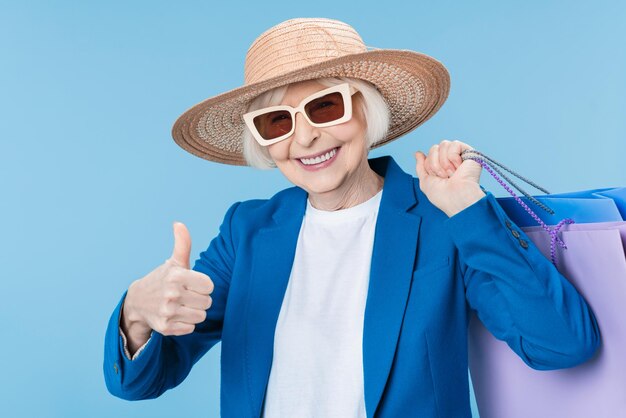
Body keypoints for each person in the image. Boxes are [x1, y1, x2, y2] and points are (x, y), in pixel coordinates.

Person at [103, 18, 600, 417]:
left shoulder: (443, 220)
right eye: (278, 121)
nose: (305, 138)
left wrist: (469, 210)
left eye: (325, 106)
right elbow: (144, 380)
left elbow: (560, 344)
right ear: (264, 142)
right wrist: (137, 314)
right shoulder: (246, 233)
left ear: (367, 109)